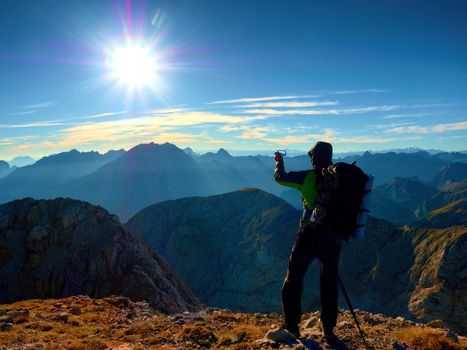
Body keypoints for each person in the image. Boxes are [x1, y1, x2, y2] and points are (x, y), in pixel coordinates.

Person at [272, 141, 342, 343]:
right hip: (332, 236)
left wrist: (279, 162)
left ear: (313, 158)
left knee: (293, 278)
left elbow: (279, 178)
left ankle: (292, 326)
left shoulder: (307, 177)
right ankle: (328, 329)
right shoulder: (339, 178)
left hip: (309, 234)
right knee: (329, 280)